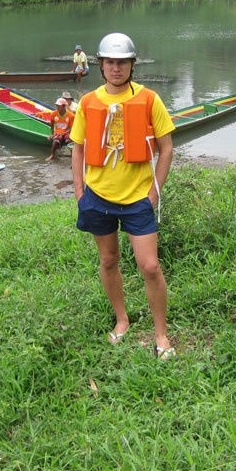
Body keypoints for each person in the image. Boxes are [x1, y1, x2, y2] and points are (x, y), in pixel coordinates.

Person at [70, 32, 176, 360]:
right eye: (110, 62)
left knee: (150, 265)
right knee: (108, 260)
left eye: (123, 62)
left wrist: (154, 192)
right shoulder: (88, 103)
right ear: (101, 66)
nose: (116, 68)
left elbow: (166, 147)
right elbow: (77, 148)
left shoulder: (149, 99)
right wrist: (79, 192)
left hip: (137, 200)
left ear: (132, 65)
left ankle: (161, 334)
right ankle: (122, 320)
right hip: (98, 197)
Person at [46, 98, 75, 162]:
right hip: (58, 132)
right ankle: (52, 155)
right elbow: (52, 124)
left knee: (70, 142)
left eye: (59, 106)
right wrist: (52, 134)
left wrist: (63, 133)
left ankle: (73, 159)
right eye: (57, 106)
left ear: (64, 106)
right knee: (55, 142)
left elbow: (71, 128)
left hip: (67, 132)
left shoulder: (71, 115)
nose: (57, 107)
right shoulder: (53, 114)